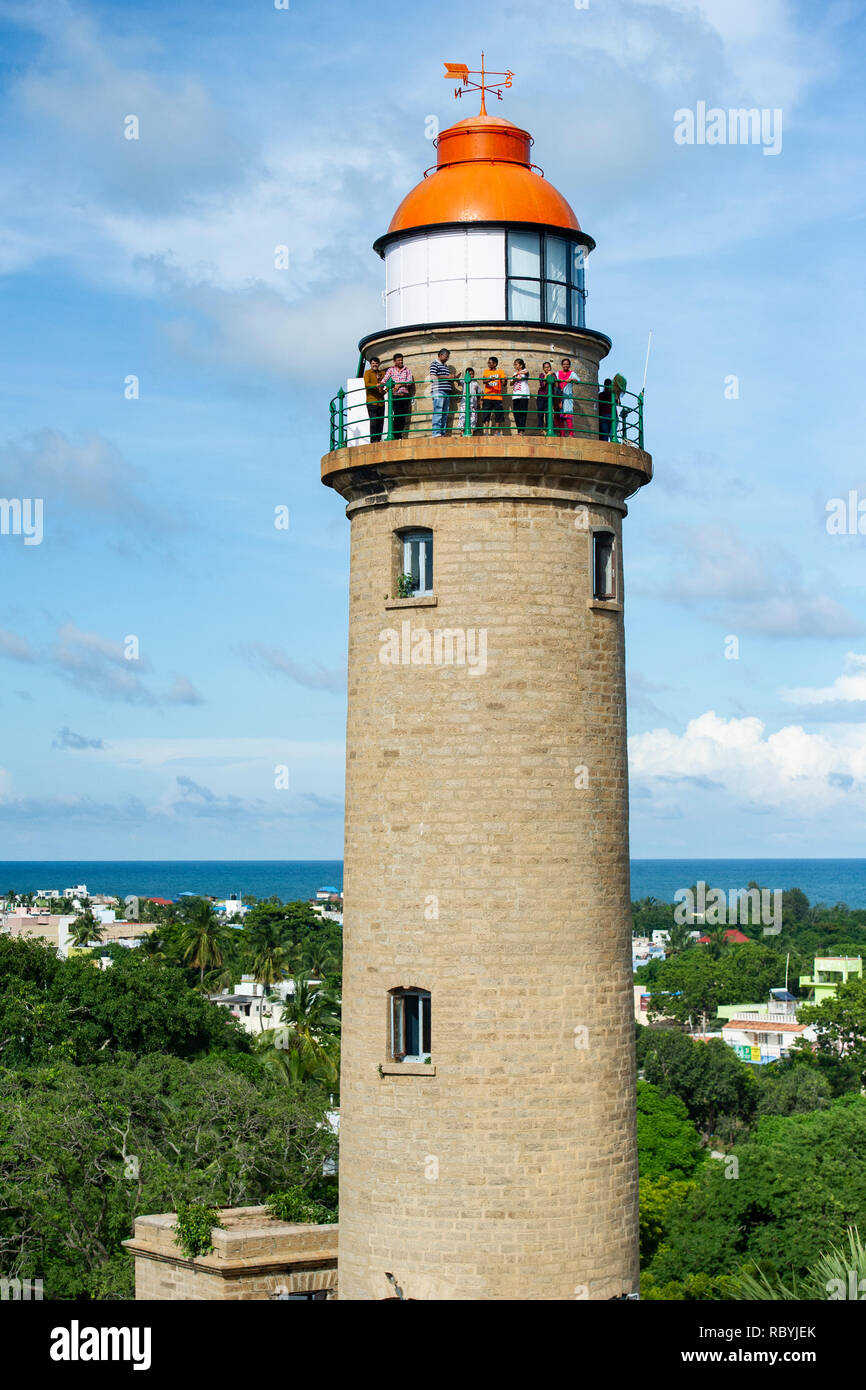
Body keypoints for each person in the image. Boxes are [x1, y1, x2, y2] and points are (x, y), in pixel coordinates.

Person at [381, 353, 414, 439]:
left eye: (401, 360)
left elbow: (410, 381)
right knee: (396, 415)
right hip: (395, 395)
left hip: (404, 395)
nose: (400, 362)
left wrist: (399, 385)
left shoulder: (407, 370)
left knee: (402, 416)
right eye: (399, 360)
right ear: (394, 361)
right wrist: (380, 385)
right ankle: (396, 435)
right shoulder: (391, 370)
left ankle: (399, 434)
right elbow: (385, 379)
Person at [429, 348, 452, 437]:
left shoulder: (445, 366)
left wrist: (453, 377)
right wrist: (447, 377)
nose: (447, 358)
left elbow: (444, 377)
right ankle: (436, 433)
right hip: (438, 391)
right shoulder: (434, 364)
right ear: (441, 355)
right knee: (438, 412)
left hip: (446, 391)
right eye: (446, 357)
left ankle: (442, 432)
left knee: (445, 413)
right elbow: (433, 377)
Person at [480, 356, 507, 434]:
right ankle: (486, 432)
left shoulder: (500, 372)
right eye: (488, 362)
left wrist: (505, 380)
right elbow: (484, 381)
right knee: (486, 414)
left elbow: (503, 383)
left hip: (497, 397)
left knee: (498, 414)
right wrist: (490, 379)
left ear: (495, 364)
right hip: (488, 396)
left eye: (490, 362)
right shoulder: (486, 371)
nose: (488, 364)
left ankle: (496, 432)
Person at [556, 357, 580, 437]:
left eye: (567, 364)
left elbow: (578, 381)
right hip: (559, 396)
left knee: (568, 415)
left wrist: (571, 379)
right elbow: (554, 380)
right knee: (560, 416)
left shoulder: (572, 373)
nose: (565, 365)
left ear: (569, 365)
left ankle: (571, 434)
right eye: (564, 364)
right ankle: (562, 434)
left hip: (568, 397)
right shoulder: (558, 373)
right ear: (562, 365)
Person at [364, 356, 385, 443]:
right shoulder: (367, 373)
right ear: (370, 364)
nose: (375, 365)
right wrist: (376, 385)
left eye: (376, 363)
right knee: (373, 421)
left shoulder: (382, 373)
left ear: (378, 364)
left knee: (380, 421)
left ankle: (378, 439)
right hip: (371, 400)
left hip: (381, 401)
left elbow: (386, 384)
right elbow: (367, 384)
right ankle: (373, 440)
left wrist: (384, 390)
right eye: (373, 363)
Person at [456, 367, 482, 435]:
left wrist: (480, 400)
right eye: (469, 374)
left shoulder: (475, 383)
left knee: (473, 418)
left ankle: (472, 432)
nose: (471, 376)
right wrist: (457, 378)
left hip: (473, 404)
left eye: (472, 374)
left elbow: (481, 392)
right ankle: (462, 432)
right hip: (464, 403)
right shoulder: (464, 381)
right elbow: (458, 382)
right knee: (463, 416)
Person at [536, 360, 558, 433]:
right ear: (543, 368)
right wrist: (546, 375)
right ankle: (540, 428)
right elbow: (542, 385)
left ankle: (549, 428)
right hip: (541, 396)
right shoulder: (541, 375)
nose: (547, 369)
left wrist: (552, 377)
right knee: (540, 412)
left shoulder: (553, 375)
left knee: (548, 412)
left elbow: (556, 385)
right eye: (545, 367)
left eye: (548, 367)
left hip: (549, 397)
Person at [511, 358, 530, 434]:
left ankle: (521, 431)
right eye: (514, 364)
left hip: (523, 395)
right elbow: (511, 383)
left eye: (516, 364)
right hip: (515, 395)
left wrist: (519, 374)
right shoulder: (514, 373)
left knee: (522, 413)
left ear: (521, 365)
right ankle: (519, 430)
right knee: (516, 413)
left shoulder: (524, 371)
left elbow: (526, 373)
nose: (514, 366)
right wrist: (515, 378)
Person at [597, 377, 613, 442]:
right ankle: (613, 443)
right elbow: (618, 403)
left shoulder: (600, 395)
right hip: (612, 415)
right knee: (612, 434)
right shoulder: (613, 394)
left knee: (605, 434)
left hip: (604, 415)